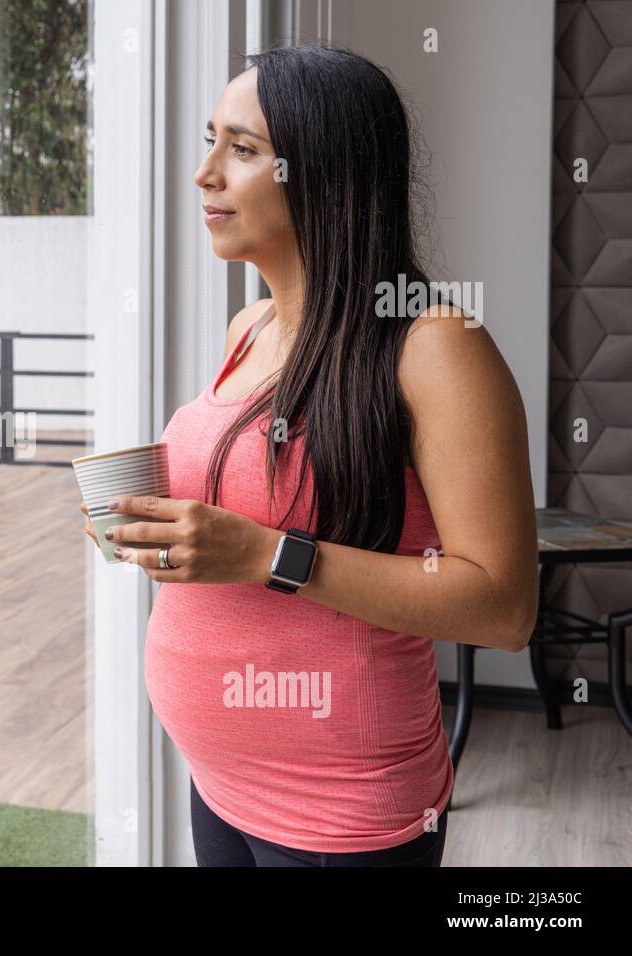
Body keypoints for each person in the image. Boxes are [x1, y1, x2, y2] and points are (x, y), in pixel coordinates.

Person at [81, 45, 536, 866]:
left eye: (242, 149)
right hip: (218, 783)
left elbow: (502, 608)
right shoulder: (247, 330)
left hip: (342, 813)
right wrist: (162, 533)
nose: (205, 173)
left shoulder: (435, 348)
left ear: (325, 172)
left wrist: (265, 556)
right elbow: (249, 516)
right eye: (211, 139)